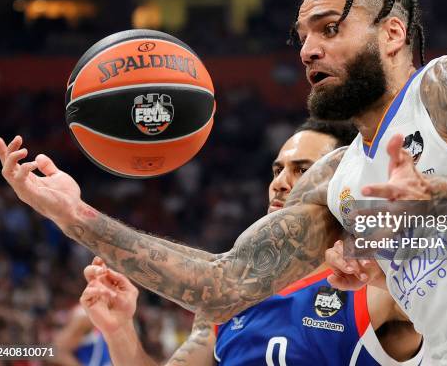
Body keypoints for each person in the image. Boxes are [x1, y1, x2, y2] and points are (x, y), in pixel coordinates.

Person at [0, 0, 447, 365]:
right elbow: (225, 285)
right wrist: (74, 214)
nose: (309, 48)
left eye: (329, 29)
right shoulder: (336, 178)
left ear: (392, 33)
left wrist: (436, 203)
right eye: (303, 35)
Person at [78, 119, 426, 365]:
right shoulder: (230, 297)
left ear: (341, 186)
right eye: (277, 170)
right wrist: (119, 329)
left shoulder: (375, 279)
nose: (281, 183)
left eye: (303, 170)